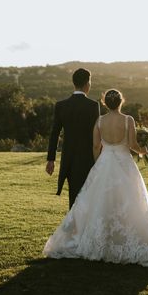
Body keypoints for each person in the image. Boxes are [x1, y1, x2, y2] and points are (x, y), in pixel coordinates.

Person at [44, 89, 148, 267]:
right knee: (130, 201)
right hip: (125, 165)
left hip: (104, 163)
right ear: (121, 101)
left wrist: (98, 163)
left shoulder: (100, 121)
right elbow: (132, 145)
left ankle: (99, 242)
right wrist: (144, 150)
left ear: (104, 103)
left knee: (100, 202)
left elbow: (96, 146)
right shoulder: (128, 120)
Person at [46, 68, 101, 209]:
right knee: (89, 197)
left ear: (74, 83)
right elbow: (97, 134)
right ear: (87, 84)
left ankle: (74, 227)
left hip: (69, 159)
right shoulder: (93, 106)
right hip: (88, 158)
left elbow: (54, 133)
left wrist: (51, 159)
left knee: (74, 197)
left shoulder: (61, 105)